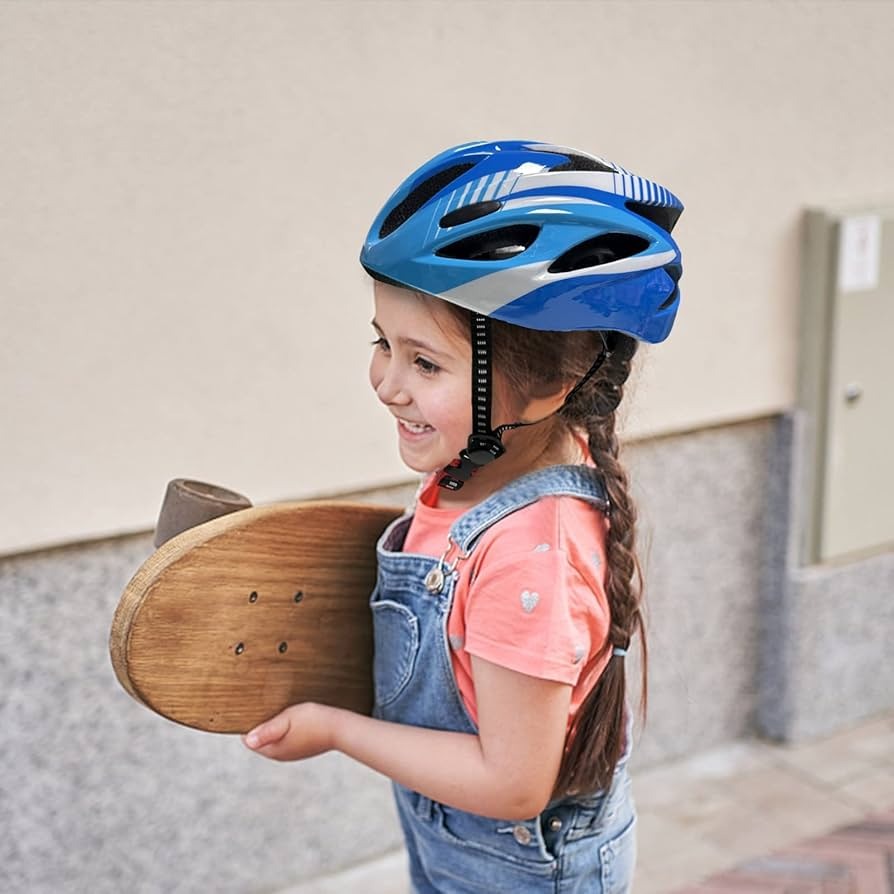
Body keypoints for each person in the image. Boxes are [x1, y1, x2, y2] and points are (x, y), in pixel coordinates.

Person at [243, 140, 684, 892]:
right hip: (461, 853)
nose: (386, 382)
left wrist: (336, 730)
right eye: (383, 343)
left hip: (520, 871)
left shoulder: (527, 555)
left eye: (425, 363)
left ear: (551, 385)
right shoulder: (482, 468)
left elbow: (512, 784)